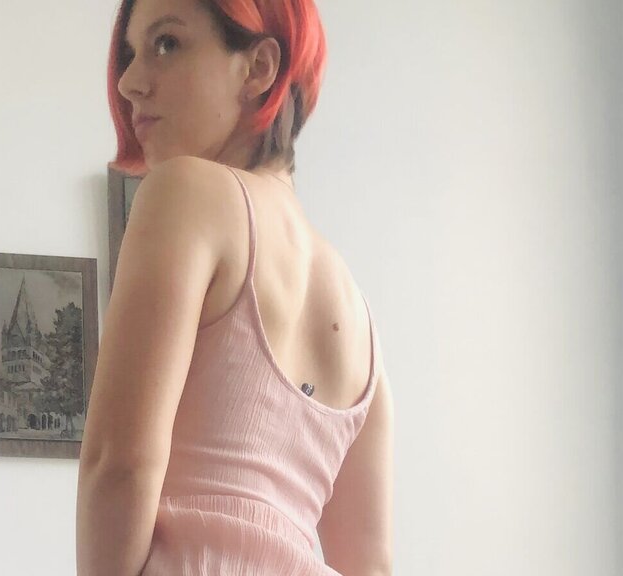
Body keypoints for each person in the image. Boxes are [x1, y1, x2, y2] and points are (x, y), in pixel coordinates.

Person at [76, 0, 394, 574]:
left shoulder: (187, 192)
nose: (128, 82)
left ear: (259, 68)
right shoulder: (360, 318)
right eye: (130, 54)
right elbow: (370, 563)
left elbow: (119, 465)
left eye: (166, 44)